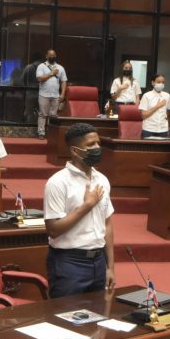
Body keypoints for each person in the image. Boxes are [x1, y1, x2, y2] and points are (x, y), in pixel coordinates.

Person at [43, 123, 115, 297]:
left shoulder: (102, 180)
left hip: (98, 261)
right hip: (69, 262)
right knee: (64, 319)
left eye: (98, 143)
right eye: (90, 145)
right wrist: (87, 206)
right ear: (75, 151)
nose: (97, 147)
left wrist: (110, 267)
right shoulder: (58, 182)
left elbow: (108, 223)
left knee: (96, 320)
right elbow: (53, 230)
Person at [35, 49, 67, 140]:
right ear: (46, 56)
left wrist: (63, 94)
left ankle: (51, 133)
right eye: (50, 55)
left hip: (56, 95)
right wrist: (51, 73)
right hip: (43, 94)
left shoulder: (60, 68)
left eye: (53, 55)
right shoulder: (41, 66)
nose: (52, 57)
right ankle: (41, 132)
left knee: (53, 115)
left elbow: (64, 82)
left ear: (55, 56)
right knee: (43, 114)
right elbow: (39, 78)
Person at [138, 73, 170, 139]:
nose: (161, 84)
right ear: (153, 83)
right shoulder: (146, 96)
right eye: (158, 82)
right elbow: (143, 115)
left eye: (163, 82)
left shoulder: (167, 96)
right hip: (148, 129)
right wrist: (158, 106)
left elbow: (168, 110)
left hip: (163, 129)